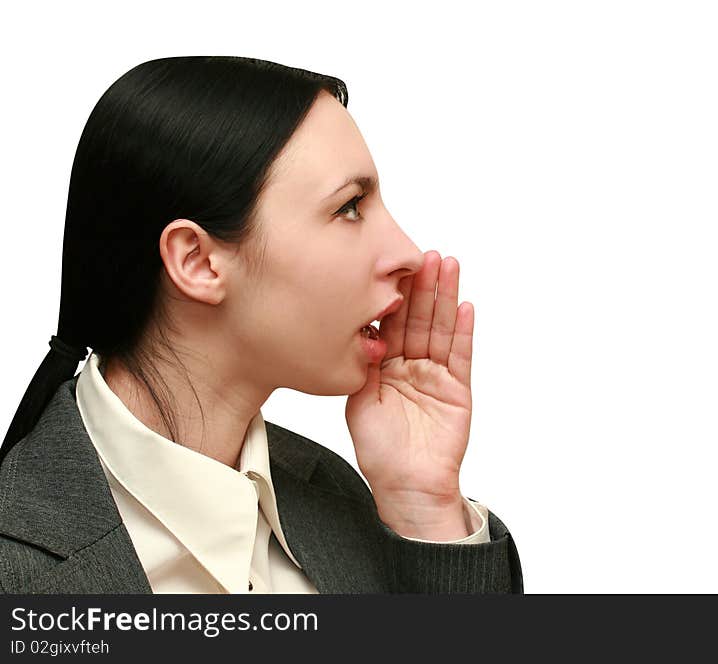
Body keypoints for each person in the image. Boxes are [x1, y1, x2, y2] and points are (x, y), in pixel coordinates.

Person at [0, 56, 523, 594]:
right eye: (349, 207)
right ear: (198, 262)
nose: (408, 254)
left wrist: (424, 509)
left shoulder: (344, 501)